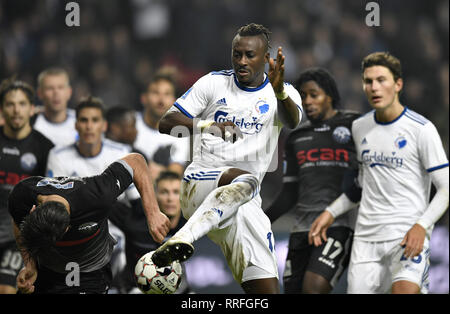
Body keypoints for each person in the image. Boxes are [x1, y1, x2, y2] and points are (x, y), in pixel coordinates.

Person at [151, 23, 303, 294]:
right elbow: (167, 121)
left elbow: (292, 121)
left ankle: (185, 238)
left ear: (265, 57)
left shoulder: (283, 93)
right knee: (246, 179)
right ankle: (182, 238)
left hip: (244, 202)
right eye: (236, 54)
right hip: (200, 183)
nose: (241, 61)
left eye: (249, 55)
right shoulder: (213, 83)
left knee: (267, 291)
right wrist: (207, 125)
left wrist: (279, 92)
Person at [309, 52, 449, 294]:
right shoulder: (359, 127)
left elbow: (446, 188)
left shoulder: (422, 130)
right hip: (366, 242)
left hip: (407, 237)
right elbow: (361, 185)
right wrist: (330, 213)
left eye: (381, 80)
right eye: (368, 81)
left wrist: (421, 225)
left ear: (398, 85)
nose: (374, 87)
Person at [9, 152, 170, 294]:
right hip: (46, 268)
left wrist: (153, 213)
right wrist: (30, 264)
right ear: (32, 210)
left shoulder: (98, 193)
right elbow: (18, 222)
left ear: (67, 228)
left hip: (92, 270)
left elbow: (136, 161)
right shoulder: (22, 195)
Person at [266, 68, 361, 294]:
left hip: (338, 226)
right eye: (303, 96)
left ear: (330, 96)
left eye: (314, 95)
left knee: (313, 288)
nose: (308, 101)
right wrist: (263, 219)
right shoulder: (296, 137)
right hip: (301, 229)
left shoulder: (355, 124)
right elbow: (290, 192)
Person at [45, 97, 140, 292]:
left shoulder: (122, 153)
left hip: (115, 236)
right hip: (71, 236)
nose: (89, 126)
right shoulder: (58, 156)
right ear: (76, 124)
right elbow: (55, 207)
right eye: (84, 120)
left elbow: (136, 204)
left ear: (104, 125)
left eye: (94, 120)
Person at [0, 78, 54, 294]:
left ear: (32, 109)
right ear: (2, 108)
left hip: (19, 235)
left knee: (5, 289)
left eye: (22, 104)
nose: (16, 110)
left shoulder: (45, 148)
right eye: (10, 104)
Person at [120, 171, 192, 294]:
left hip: (178, 289)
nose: (170, 199)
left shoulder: (191, 221)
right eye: (164, 192)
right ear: (154, 196)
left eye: (176, 192)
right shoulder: (133, 218)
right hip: (136, 289)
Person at [134, 74, 190, 179]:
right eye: (155, 93)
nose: (161, 100)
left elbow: (175, 173)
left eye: (167, 94)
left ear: (174, 100)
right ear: (144, 98)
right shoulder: (129, 123)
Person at [33, 67, 78, 147]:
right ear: (40, 93)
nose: (56, 93)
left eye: (60, 87)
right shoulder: (31, 124)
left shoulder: (81, 120)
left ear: (69, 92)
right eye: (50, 88)